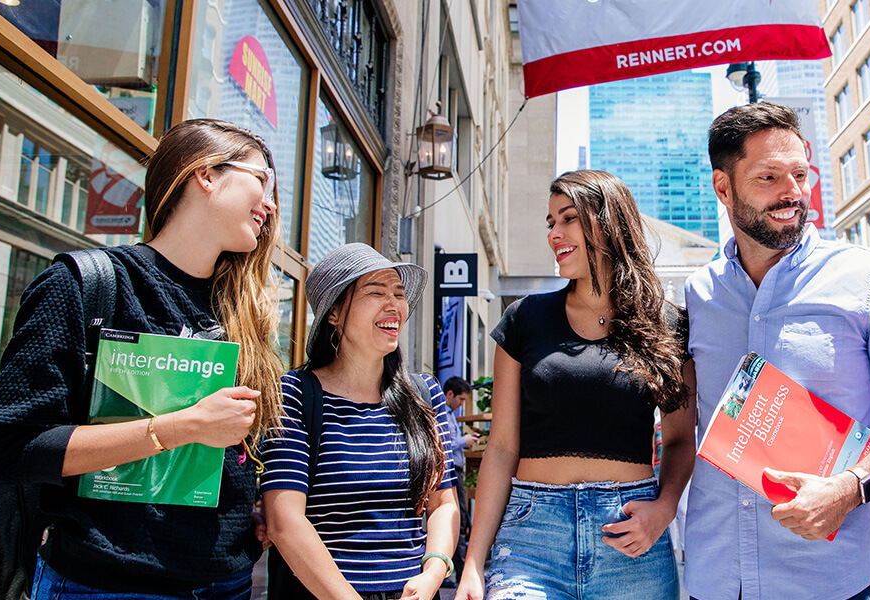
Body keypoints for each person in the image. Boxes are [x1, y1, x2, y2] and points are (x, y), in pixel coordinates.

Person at [0, 119, 285, 598]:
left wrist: (246, 506)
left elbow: (225, 453)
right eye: (261, 180)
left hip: (227, 582)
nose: (269, 203)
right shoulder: (86, 285)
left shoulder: (243, 313)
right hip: (103, 583)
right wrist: (180, 427)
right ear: (205, 174)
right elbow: (10, 446)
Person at [682, 101, 870, 600]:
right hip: (717, 578)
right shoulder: (699, 294)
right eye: (769, 177)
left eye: (800, 174)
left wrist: (851, 487)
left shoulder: (867, 279)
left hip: (832, 579)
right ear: (723, 187)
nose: (793, 193)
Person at [456, 170, 697, 600]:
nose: (555, 233)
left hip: (631, 535)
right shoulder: (525, 319)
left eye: (568, 218)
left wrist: (665, 508)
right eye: (551, 222)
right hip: (532, 537)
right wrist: (473, 562)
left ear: (609, 222)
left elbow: (681, 439)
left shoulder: (668, 324)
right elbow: (501, 447)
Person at [261, 243, 460, 600]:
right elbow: (284, 521)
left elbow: (443, 503)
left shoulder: (424, 394)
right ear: (334, 313)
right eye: (375, 292)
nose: (394, 305)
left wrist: (433, 571)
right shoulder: (294, 393)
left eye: (398, 294)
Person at [442, 376, 479, 584]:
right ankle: (458, 570)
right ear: (450, 394)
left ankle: (458, 570)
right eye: (461, 399)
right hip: (450, 470)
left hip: (457, 470)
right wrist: (463, 441)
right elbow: (442, 443)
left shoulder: (450, 415)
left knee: (459, 519)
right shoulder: (442, 414)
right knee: (458, 520)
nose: (462, 404)